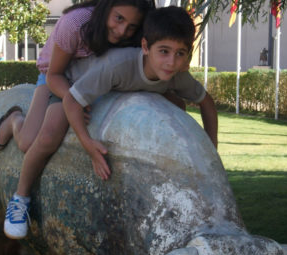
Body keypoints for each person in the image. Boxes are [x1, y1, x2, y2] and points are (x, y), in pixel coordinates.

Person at [0, 0, 155, 240]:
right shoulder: (76, 23)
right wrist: (74, 101)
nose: (122, 31)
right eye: (119, 19)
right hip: (60, 79)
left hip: (96, 82)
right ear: (106, 8)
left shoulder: (135, 35)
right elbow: (54, 74)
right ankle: (19, 195)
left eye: (131, 26)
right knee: (32, 142)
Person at [63, 6, 218, 181]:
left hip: (119, 91)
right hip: (69, 82)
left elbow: (206, 102)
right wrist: (88, 145)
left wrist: (211, 150)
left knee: (178, 105)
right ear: (145, 46)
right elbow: (71, 100)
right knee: (48, 135)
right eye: (164, 51)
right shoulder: (118, 66)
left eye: (180, 53)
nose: (171, 62)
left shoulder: (176, 75)